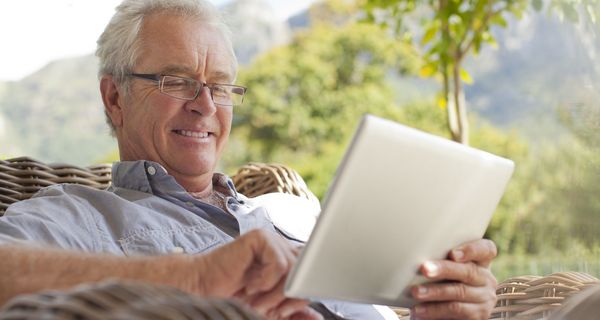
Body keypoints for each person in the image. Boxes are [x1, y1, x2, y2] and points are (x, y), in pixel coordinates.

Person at [0, 0, 498, 319]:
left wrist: (447, 304)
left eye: (220, 86)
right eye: (176, 81)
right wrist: (190, 280)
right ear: (115, 98)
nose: (205, 104)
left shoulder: (293, 211)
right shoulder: (77, 216)